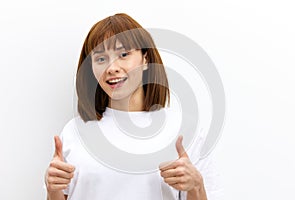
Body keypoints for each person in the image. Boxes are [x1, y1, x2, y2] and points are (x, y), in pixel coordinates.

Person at [44, 13, 223, 200]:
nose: (112, 67)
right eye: (100, 59)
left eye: (123, 54)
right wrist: (52, 189)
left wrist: (196, 186)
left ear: (145, 59)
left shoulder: (184, 130)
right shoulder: (74, 132)